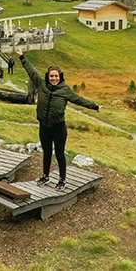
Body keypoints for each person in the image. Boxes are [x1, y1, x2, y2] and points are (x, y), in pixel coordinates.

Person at [16, 47, 99, 190]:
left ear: (60, 77)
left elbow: (79, 100)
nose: (54, 78)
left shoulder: (65, 90)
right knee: (46, 152)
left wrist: (94, 106)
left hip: (58, 127)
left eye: (56, 76)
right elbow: (31, 71)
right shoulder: (41, 85)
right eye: (51, 76)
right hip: (44, 126)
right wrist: (22, 57)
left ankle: (62, 180)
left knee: (59, 154)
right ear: (48, 76)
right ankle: (45, 176)